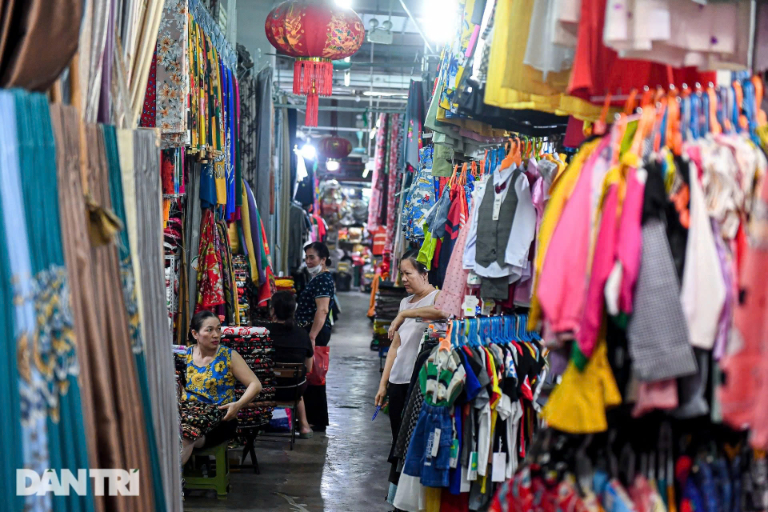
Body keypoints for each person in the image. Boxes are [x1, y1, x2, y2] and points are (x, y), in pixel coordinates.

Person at [374, 252, 447, 481]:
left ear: (424, 274)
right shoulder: (405, 301)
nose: (403, 279)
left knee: (414, 439)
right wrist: (383, 384)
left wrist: (405, 314)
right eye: (401, 274)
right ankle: (398, 491)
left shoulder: (437, 297)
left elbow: (442, 313)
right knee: (398, 439)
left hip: (420, 383)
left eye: (408, 273)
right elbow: (395, 346)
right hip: (399, 380)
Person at [180, 310, 262, 464]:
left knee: (185, 436)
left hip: (220, 420)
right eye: (209, 330)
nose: (216, 335)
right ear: (195, 334)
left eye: (218, 329)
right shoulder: (185, 355)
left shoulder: (228, 356)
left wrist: (238, 405)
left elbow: (255, 384)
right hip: (188, 415)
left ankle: (168, 486)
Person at [295, 241, 335, 431]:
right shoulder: (318, 278)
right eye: (306, 257)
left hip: (315, 332)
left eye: (312, 257)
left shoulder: (323, 279)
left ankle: (315, 420)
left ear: (323, 259)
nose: (308, 261)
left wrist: (311, 336)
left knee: (314, 374)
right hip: (311, 331)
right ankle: (313, 418)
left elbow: (323, 310)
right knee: (311, 374)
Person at [267, 291, 314, 438]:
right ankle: (304, 426)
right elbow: (309, 368)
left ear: (273, 310)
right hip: (293, 390)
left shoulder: (264, 333)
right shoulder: (302, 334)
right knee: (297, 383)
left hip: (266, 390)